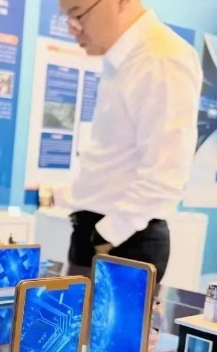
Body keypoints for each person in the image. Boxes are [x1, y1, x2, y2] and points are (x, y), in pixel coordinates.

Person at [56, 0, 203, 285]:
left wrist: (106, 236)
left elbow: (166, 173)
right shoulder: (124, 60)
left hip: (121, 239)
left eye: (77, 15)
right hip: (101, 232)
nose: (73, 30)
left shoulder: (161, 59)